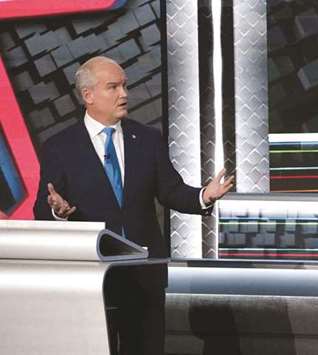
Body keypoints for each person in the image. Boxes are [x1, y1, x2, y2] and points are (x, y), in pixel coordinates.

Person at [33, 56, 234, 355]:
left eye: (125, 86)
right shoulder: (60, 147)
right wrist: (57, 211)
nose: (124, 94)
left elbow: (171, 191)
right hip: (91, 277)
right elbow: (42, 208)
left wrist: (204, 195)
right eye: (113, 87)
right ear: (88, 95)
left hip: (144, 275)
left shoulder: (148, 139)